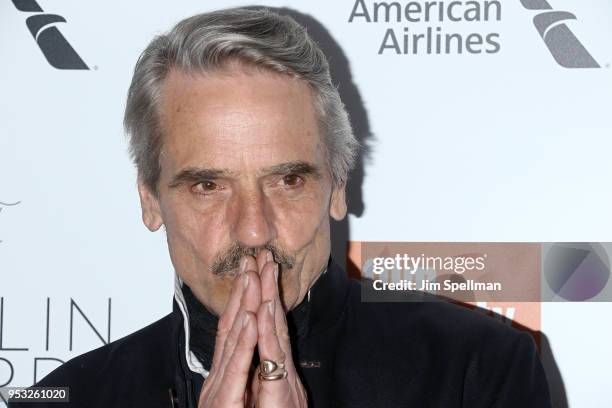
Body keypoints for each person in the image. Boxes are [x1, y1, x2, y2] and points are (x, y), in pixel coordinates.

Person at [11, 7, 551, 408]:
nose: (252, 230)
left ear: (338, 185)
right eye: (207, 186)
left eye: (288, 179)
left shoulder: (477, 374)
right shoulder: (66, 398)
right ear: (150, 199)